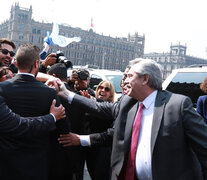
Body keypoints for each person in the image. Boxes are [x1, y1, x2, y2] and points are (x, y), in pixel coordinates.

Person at [48, 58, 207, 180]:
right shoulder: (127, 102)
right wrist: (66, 93)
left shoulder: (178, 105)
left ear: (145, 79)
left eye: (130, 76)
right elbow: (98, 107)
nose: (125, 80)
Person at [0, 44, 69, 180]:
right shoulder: (49, 93)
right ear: (37, 63)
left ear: (16, 63)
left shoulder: (2, 89)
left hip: (6, 164)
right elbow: (64, 128)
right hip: (37, 164)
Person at [59, 80, 115, 180]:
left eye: (107, 89)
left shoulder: (111, 107)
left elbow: (101, 107)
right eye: (101, 87)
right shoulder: (92, 102)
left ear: (111, 93)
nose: (103, 90)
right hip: (89, 149)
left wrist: (91, 100)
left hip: (102, 150)